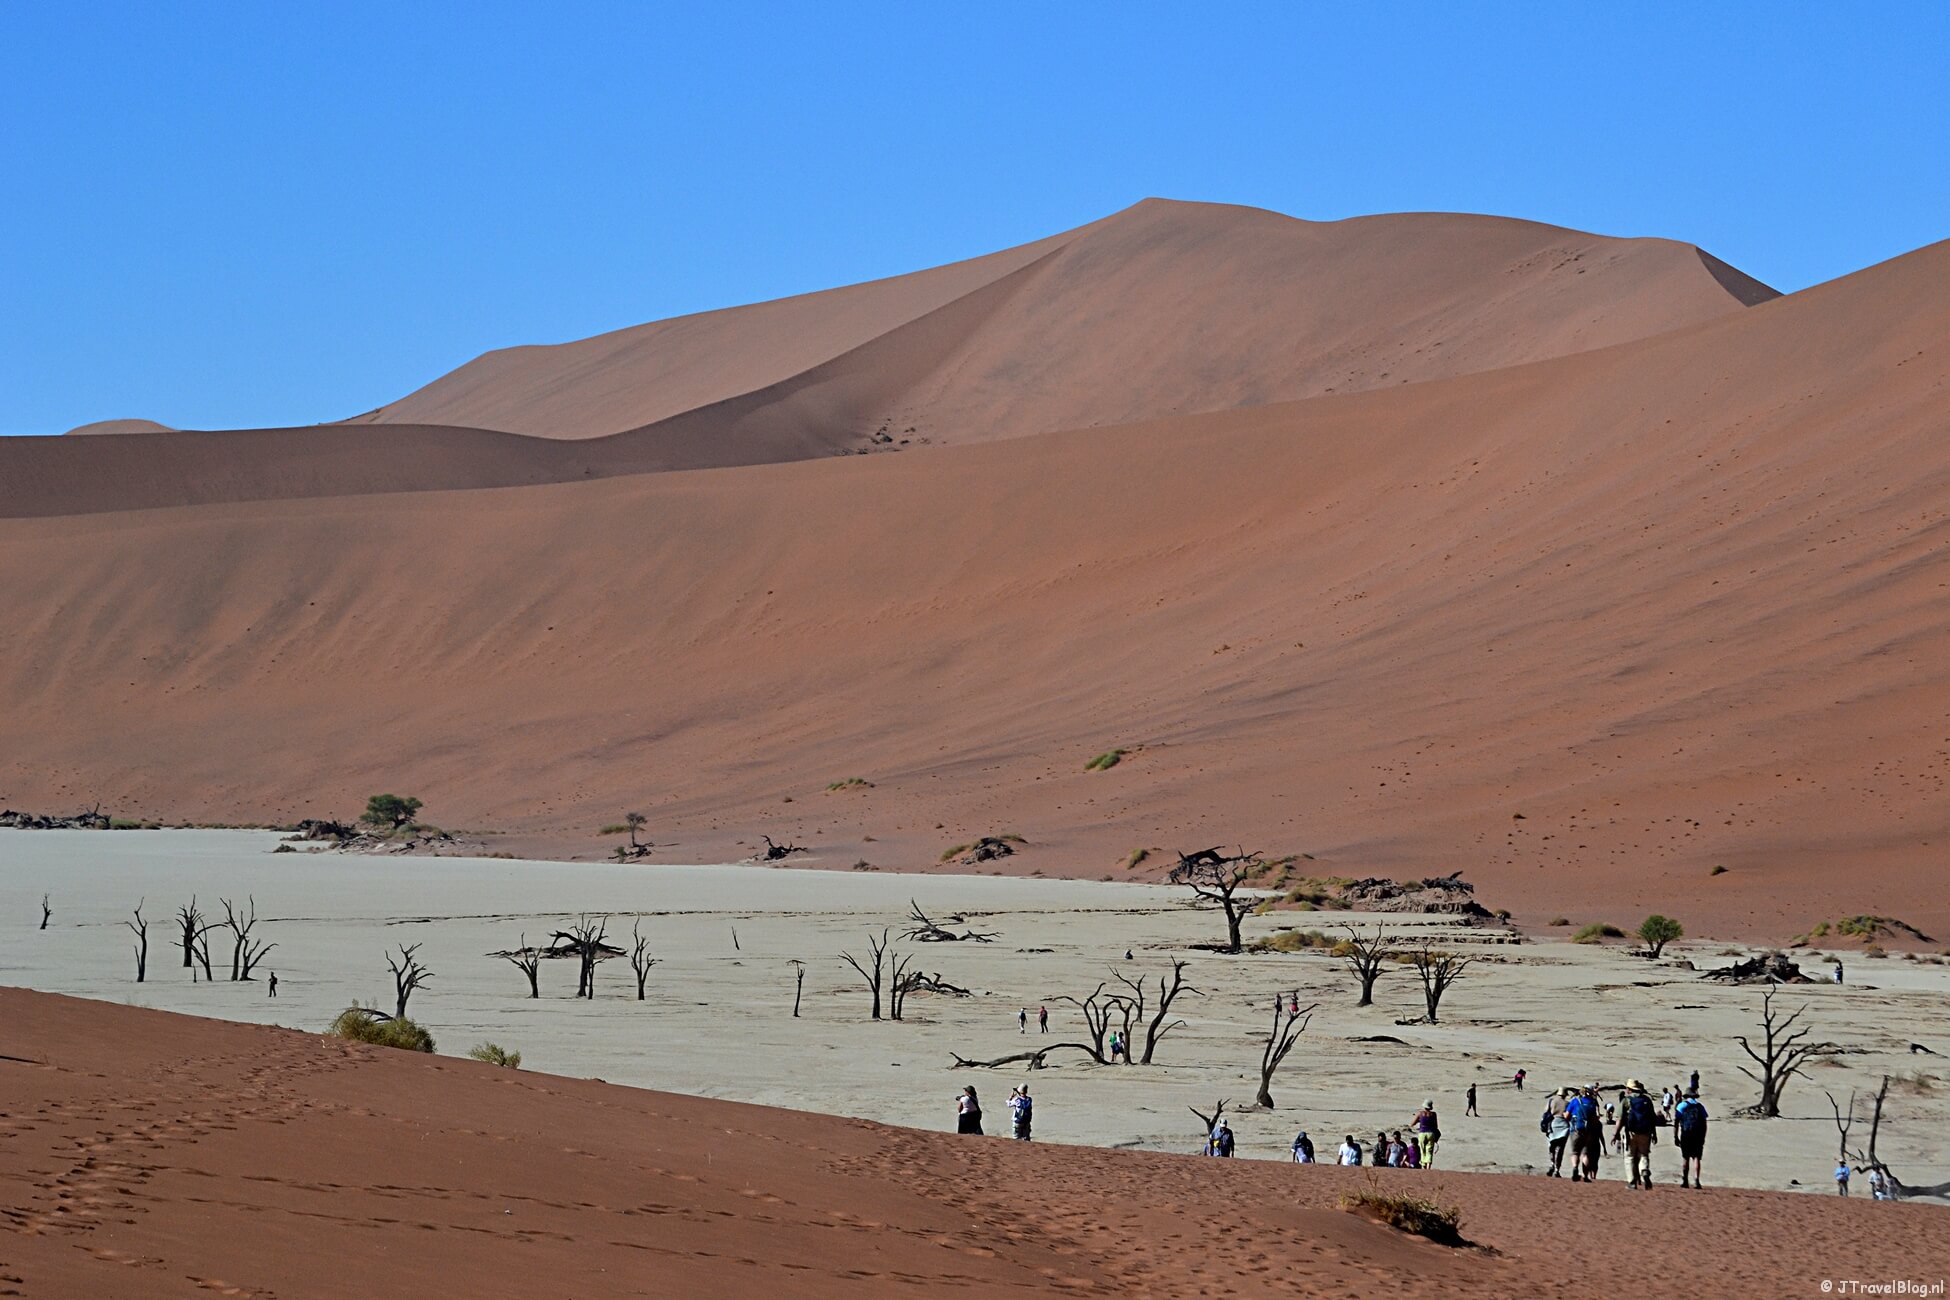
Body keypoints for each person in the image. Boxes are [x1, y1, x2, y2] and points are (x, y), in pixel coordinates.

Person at [1619, 1078, 1660, 1189]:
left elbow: (1621, 1119)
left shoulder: (1626, 1101)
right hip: (1646, 1132)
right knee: (1644, 1154)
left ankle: (1632, 1182)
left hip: (1630, 1132)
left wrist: (1615, 1134)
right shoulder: (1647, 1100)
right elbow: (1652, 1118)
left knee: (1629, 1157)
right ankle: (1644, 1170)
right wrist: (1654, 1134)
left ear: (1629, 1089)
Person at [1566, 1087, 1603, 1182]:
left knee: (1575, 1152)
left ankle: (1575, 1168)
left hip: (1575, 1130)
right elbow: (1595, 1119)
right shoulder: (1592, 1103)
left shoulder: (1575, 1101)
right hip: (1588, 1131)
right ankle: (1585, 1176)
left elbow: (1567, 1116)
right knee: (1585, 1154)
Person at [1674, 1088, 1708, 1188]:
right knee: (1696, 1157)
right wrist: (1703, 1136)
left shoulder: (1682, 1105)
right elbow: (1704, 1123)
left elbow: (1676, 1121)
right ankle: (1696, 1179)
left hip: (1686, 1133)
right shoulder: (1700, 1107)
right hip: (1698, 1134)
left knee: (1685, 1157)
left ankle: (1685, 1180)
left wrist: (1675, 1136)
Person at [1544, 1087, 1573, 1177]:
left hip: (1553, 1125)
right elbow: (1569, 1117)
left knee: (1551, 1146)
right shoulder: (1568, 1103)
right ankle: (1557, 1169)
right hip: (1564, 1125)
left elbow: (1545, 1112)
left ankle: (1552, 1164)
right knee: (1560, 1149)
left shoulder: (1551, 1101)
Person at [1413, 1099, 1441, 1167]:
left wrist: (1420, 1121)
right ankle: (1428, 1166)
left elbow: (1413, 1123)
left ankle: (1423, 1165)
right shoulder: (1433, 1114)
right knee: (1429, 1150)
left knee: (1423, 1150)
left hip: (1422, 1133)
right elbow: (1436, 1126)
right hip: (1431, 1133)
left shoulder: (1420, 1113)